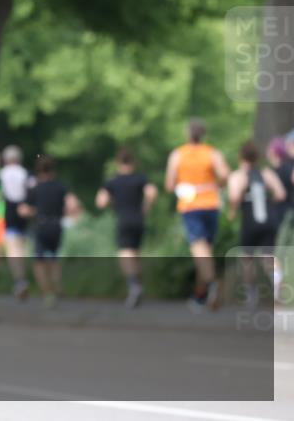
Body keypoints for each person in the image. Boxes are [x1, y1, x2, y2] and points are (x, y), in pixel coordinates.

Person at [164, 119, 230, 312]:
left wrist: (182, 186)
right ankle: (200, 296)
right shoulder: (212, 153)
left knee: (199, 248)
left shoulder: (178, 155)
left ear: (187, 134)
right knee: (206, 251)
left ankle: (211, 282)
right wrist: (217, 185)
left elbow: (169, 184)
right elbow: (225, 174)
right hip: (211, 204)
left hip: (190, 206)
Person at [95, 147, 157, 308]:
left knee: (125, 253)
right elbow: (152, 193)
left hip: (123, 219)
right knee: (135, 254)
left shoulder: (113, 181)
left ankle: (134, 285)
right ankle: (138, 286)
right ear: (133, 162)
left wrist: (112, 203)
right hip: (139, 219)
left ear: (118, 163)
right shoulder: (140, 178)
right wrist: (147, 207)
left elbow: (100, 202)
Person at [227, 141, 287, 306]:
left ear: (241, 157)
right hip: (269, 220)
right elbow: (281, 194)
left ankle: (250, 295)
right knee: (269, 256)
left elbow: (233, 198)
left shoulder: (238, 176)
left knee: (248, 258)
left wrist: (235, 207)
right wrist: (269, 201)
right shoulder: (267, 173)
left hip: (250, 222)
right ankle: (278, 286)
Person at [20, 154, 80, 309]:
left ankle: (47, 293)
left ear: (38, 171)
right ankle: (57, 285)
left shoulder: (35, 188)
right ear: (53, 170)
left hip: (41, 225)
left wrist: (34, 211)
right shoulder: (61, 186)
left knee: (39, 262)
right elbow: (73, 204)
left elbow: (23, 210)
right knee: (54, 259)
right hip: (56, 225)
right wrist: (65, 213)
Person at [0, 145, 32, 300]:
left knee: (12, 249)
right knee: (22, 247)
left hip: (10, 213)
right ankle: (24, 277)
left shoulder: (1, 174)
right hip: (24, 213)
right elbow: (32, 190)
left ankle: (19, 280)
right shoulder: (25, 173)